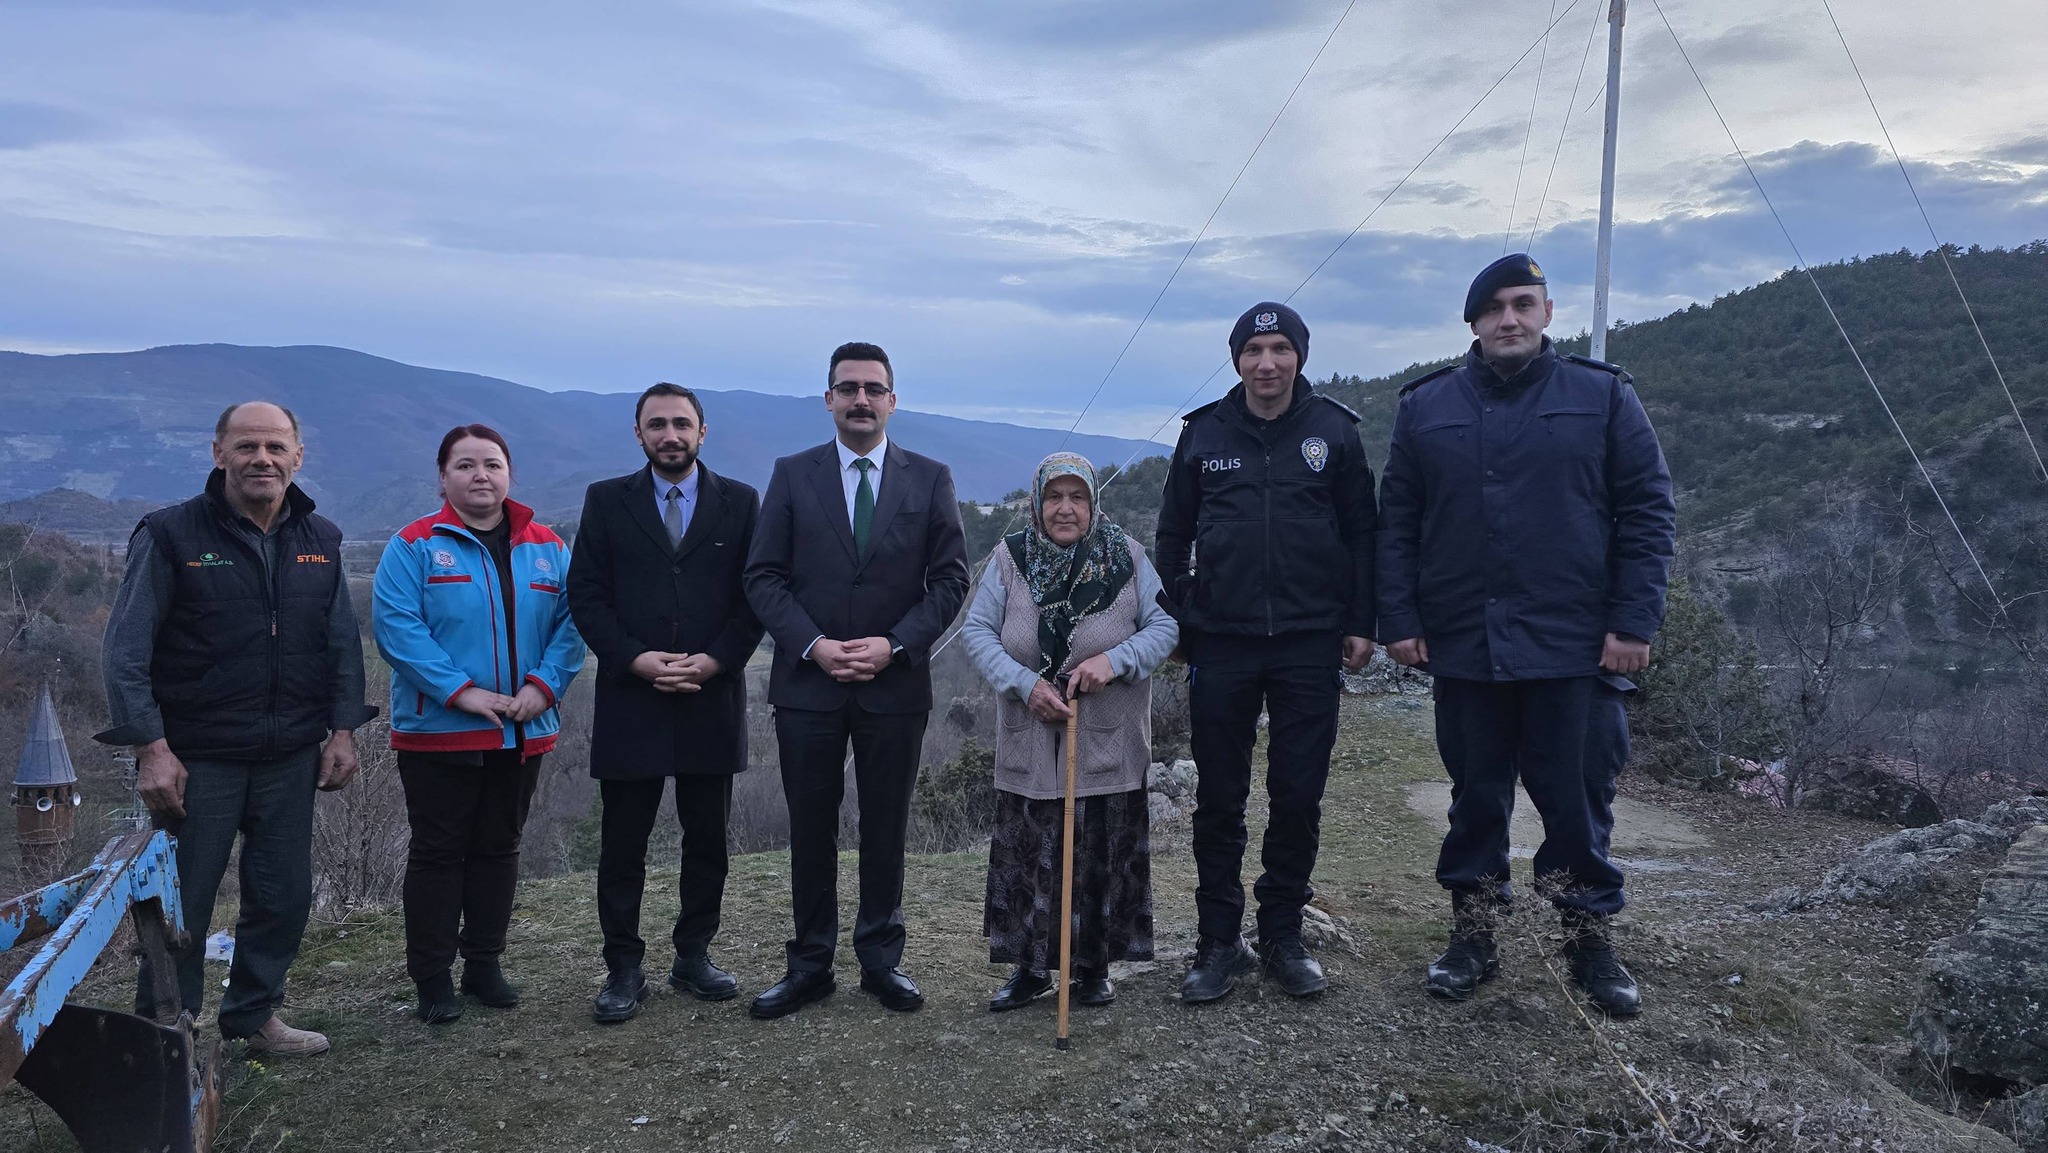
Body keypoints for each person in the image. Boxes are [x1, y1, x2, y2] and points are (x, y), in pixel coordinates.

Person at [1376, 253, 1676, 1017]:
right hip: (1466, 644)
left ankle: (1587, 936)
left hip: (1575, 644)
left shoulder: (1601, 397)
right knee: (1477, 797)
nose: (1509, 319)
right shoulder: (1427, 406)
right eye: (1494, 308)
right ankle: (1472, 933)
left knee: (1577, 799)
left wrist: (1633, 621)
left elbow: (1647, 511)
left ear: (1547, 311)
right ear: (1472, 322)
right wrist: (1401, 621)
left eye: (1523, 304)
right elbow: (1398, 525)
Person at [97, 401, 376, 1057]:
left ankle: (254, 1015)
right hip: (198, 758)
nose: (263, 459)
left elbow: (341, 646)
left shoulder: (321, 540)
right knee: (182, 905)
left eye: (276, 447)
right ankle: (168, 1031)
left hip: (288, 757)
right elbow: (125, 650)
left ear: (298, 456)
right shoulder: (169, 536)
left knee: (282, 897)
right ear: (218, 451)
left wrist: (343, 730)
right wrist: (151, 747)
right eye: (247, 446)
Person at [1154, 302, 1378, 1004]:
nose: (1267, 362)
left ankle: (1283, 932)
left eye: (1281, 348)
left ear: (1299, 356)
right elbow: (1170, 536)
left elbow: (1364, 534)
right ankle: (1219, 940)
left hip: (1310, 642)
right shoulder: (1202, 435)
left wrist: (1360, 620)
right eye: (1254, 349)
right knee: (1220, 798)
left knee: (1297, 795)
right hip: (1222, 644)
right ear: (1237, 359)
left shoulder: (1334, 432)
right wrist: (1190, 611)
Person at [742, 341, 970, 1019]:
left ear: (893, 401)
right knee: (810, 826)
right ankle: (809, 964)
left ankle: (881, 959)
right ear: (829, 400)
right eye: (848, 388)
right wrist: (813, 644)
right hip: (808, 685)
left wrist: (894, 644)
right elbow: (763, 576)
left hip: (893, 686)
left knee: (885, 825)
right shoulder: (790, 474)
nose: (861, 399)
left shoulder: (930, 478)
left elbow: (951, 578)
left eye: (874, 388)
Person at [373, 425, 585, 1024]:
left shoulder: (547, 546)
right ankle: (433, 978)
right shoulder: (413, 545)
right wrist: (462, 694)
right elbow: (397, 629)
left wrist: (542, 688)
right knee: (439, 853)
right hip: (438, 732)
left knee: (499, 848)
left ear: (509, 473)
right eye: (465, 465)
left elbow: (573, 626)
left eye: (491, 464)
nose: (480, 475)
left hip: (524, 727)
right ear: (443, 477)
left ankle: (484, 963)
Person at [567, 383, 764, 1024]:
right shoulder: (605, 501)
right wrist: (634, 658)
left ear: (703, 432)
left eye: (682, 424)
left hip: (711, 695)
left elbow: (753, 597)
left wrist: (713, 661)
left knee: (707, 840)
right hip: (632, 697)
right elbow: (587, 593)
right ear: (639, 434)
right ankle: (623, 966)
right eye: (657, 425)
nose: (670, 435)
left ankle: (693, 955)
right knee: (623, 845)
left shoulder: (740, 502)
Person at [960, 453, 1177, 1011]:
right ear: (1037, 503)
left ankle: (1092, 967)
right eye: (1053, 496)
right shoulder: (1009, 561)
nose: (1064, 508)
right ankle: (1030, 972)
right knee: (1032, 850)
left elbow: (1165, 625)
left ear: (1092, 503)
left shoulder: (1126, 556)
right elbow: (978, 632)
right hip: (1030, 737)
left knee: (1098, 848)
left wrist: (1116, 660)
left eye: (1076, 497)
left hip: (1106, 739)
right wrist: (1022, 682)